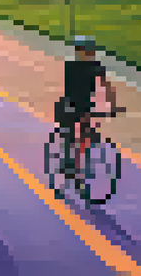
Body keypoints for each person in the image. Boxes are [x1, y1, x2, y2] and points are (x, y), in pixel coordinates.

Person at [55, 35, 123, 176]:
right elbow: (70, 91)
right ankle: (68, 161)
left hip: (85, 105)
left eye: (87, 51)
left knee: (87, 132)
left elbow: (107, 87)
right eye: (82, 50)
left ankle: (82, 157)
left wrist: (113, 105)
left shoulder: (95, 67)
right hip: (70, 104)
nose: (86, 54)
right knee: (70, 131)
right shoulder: (72, 66)